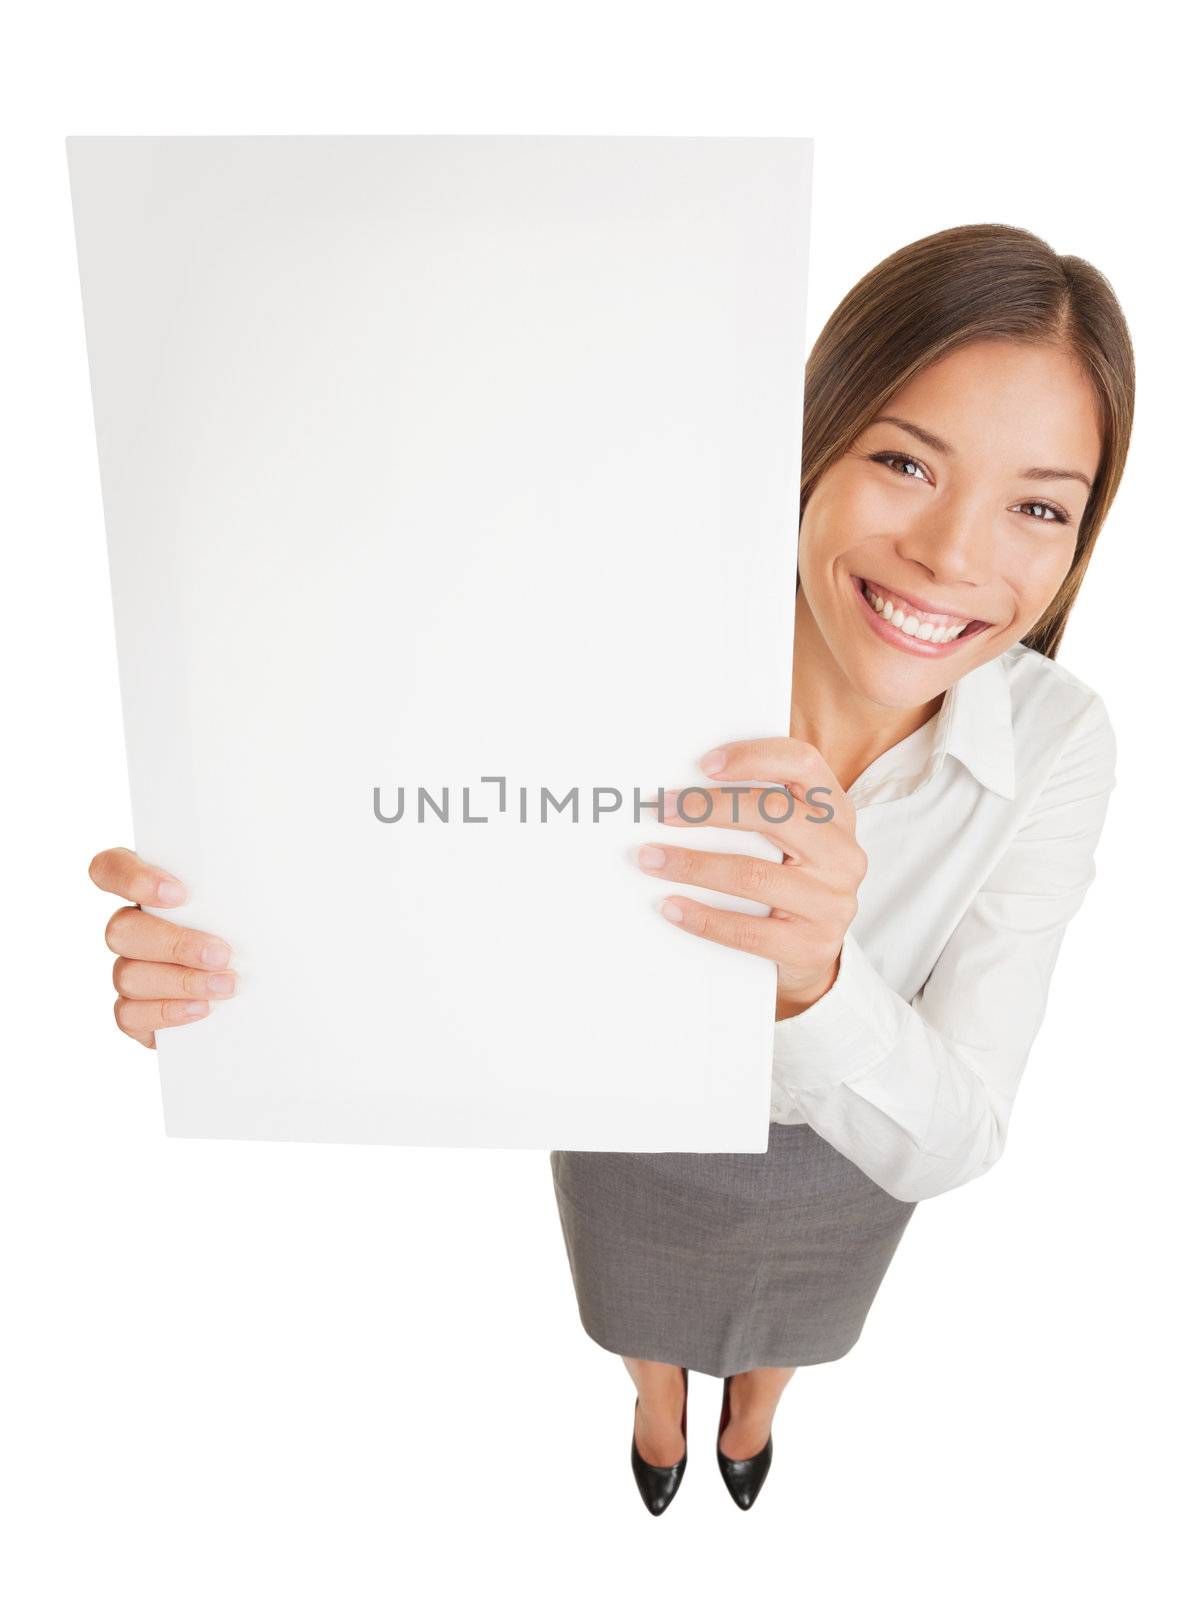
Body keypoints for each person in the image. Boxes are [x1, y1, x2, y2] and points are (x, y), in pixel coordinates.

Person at [88, 222, 1134, 1518]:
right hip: (629, 1116)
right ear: (804, 443)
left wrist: (813, 983)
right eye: (905, 461)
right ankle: (656, 1408)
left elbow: (955, 1133)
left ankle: (757, 1406)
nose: (955, 552)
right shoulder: (616, 633)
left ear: (1080, 537)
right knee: (637, 1298)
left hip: (859, 1147)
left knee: (796, 1320)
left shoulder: (1057, 740)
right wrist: (242, 958)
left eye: (1038, 505)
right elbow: (432, 868)